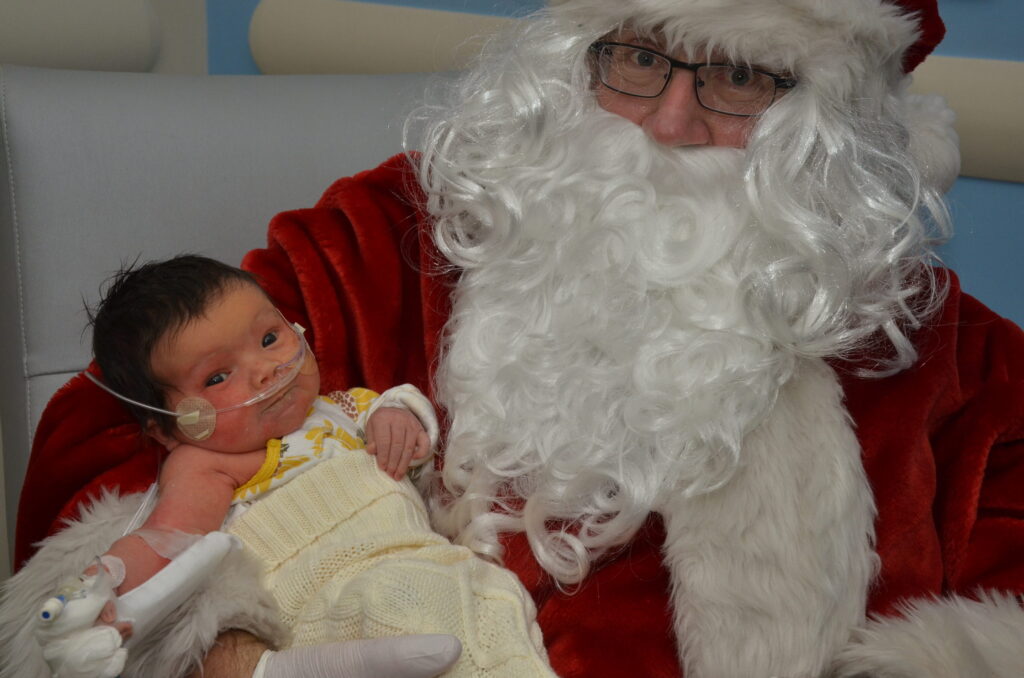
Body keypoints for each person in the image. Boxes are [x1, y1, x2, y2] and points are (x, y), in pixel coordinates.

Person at [6, 0, 1024, 677]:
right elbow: (107, 432)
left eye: (739, 78)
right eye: (634, 56)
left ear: (831, 121)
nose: (666, 121)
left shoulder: (930, 349)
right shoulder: (417, 231)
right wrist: (234, 650)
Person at [10, 256, 555, 678]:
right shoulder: (209, 462)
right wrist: (103, 581)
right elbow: (167, 537)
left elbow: (411, 427)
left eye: (270, 339)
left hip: (423, 557)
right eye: (218, 378)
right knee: (397, 604)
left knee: (496, 612)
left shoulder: (346, 408)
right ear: (166, 426)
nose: (267, 372)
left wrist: (397, 418)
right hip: (321, 600)